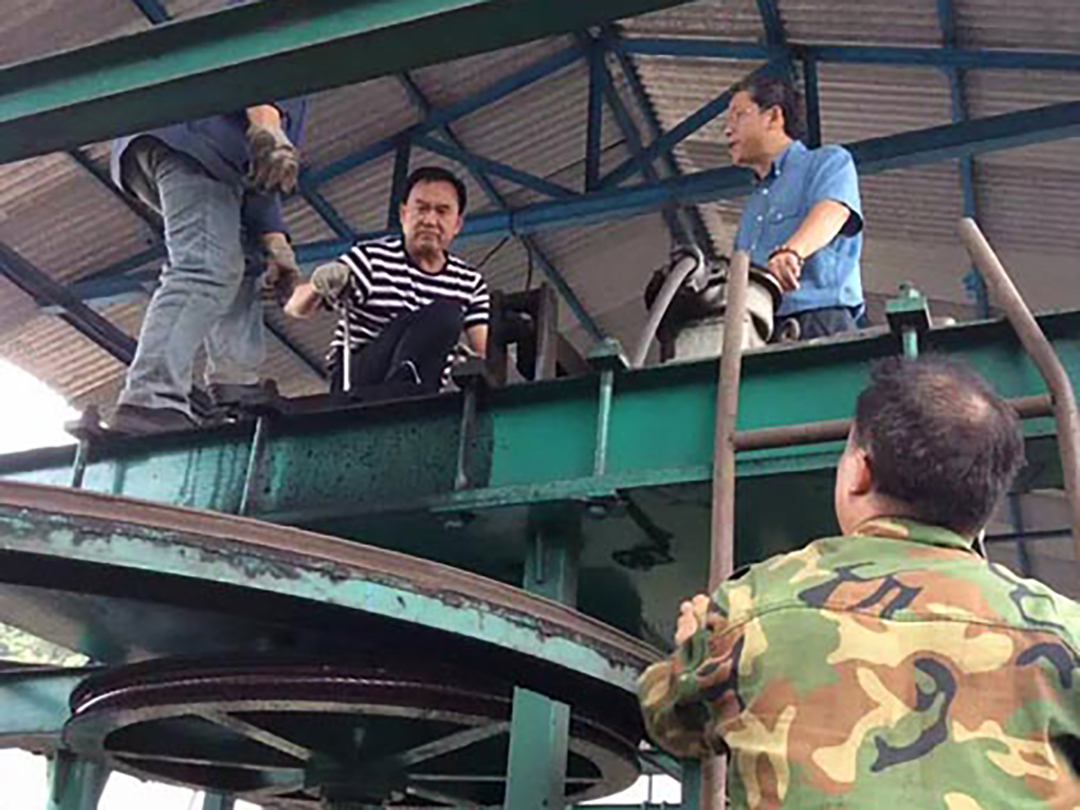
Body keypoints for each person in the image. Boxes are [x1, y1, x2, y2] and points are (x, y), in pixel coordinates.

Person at [639, 356, 1080, 808]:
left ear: (860, 472)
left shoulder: (750, 605)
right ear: (985, 506)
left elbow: (668, 720)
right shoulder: (1065, 631)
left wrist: (692, 647)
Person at [107, 94, 306, 435]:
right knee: (205, 268)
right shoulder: (307, 64)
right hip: (190, 135)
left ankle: (237, 382)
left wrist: (275, 239)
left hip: (207, 150)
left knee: (243, 255)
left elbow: (262, 169)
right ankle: (150, 399)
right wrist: (267, 123)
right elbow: (257, 70)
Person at [285, 166, 489, 394]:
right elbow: (295, 307)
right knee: (445, 313)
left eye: (442, 211)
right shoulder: (372, 260)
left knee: (447, 315)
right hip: (359, 382)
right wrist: (317, 285)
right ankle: (401, 384)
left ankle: (406, 387)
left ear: (457, 224)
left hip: (423, 390)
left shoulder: (469, 283)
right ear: (403, 214)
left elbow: (485, 352)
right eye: (421, 209)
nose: (430, 220)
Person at [724, 74, 864, 340]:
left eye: (739, 115)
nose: (728, 129)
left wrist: (791, 252)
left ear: (774, 117)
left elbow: (834, 210)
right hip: (759, 332)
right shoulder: (753, 206)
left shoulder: (827, 162)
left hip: (819, 320)